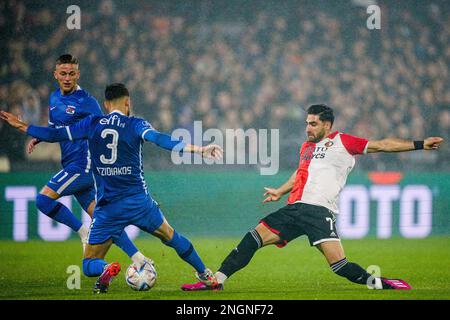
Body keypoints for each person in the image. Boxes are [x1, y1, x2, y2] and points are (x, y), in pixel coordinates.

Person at [181, 104, 444, 291]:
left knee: (339, 266)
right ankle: (217, 280)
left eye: (313, 123)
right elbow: (300, 174)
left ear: (327, 125)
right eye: (306, 123)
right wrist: (280, 191)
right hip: (294, 209)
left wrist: (420, 144)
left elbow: (382, 145)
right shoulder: (306, 147)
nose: (307, 127)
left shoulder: (343, 141)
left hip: (319, 212)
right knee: (252, 238)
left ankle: (380, 283)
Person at [1, 83, 223, 293]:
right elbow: (161, 140)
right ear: (128, 103)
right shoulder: (136, 124)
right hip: (139, 202)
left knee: (88, 264)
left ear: (106, 104)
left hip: (107, 207)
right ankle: (206, 276)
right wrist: (200, 150)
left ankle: (107, 268)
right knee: (171, 237)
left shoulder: (92, 124)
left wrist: (23, 126)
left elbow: (55, 134)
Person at [27, 54, 144, 265]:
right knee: (103, 219)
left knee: (42, 199)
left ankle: (82, 232)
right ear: (56, 75)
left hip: (83, 165)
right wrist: (40, 137)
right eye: (63, 73)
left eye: (72, 74)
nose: (67, 78)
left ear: (78, 75)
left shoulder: (87, 102)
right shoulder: (54, 99)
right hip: (72, 164)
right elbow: (56, 130)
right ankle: (140, 259)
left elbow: (106, 127)